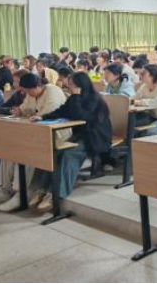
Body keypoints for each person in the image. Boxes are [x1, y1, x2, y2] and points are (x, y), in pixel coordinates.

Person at [0, 74, 69, 212]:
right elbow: (25, 108)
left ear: (38, 86)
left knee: (27, 153)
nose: (27, 93)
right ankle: (4, 190)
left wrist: (32, 114)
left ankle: (20, 193)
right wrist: (19, 111)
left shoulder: (53, 92)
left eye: (28, 90)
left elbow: (47, 113)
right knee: (7, 151)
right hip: (34, 131)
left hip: (56, 133)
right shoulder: (31, 94)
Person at [29, 72, 112, 212]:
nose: (69, 87)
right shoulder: (74, 98)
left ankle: (56, 194)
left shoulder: (94, 99)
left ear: (81, 85)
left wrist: (76, 96)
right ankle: (42, 189)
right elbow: (62, 111)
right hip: (81, 134)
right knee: (55, 152)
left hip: (95, 136)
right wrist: (43, 117)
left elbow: (79, 115)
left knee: (69, 154)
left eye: (71, 85)